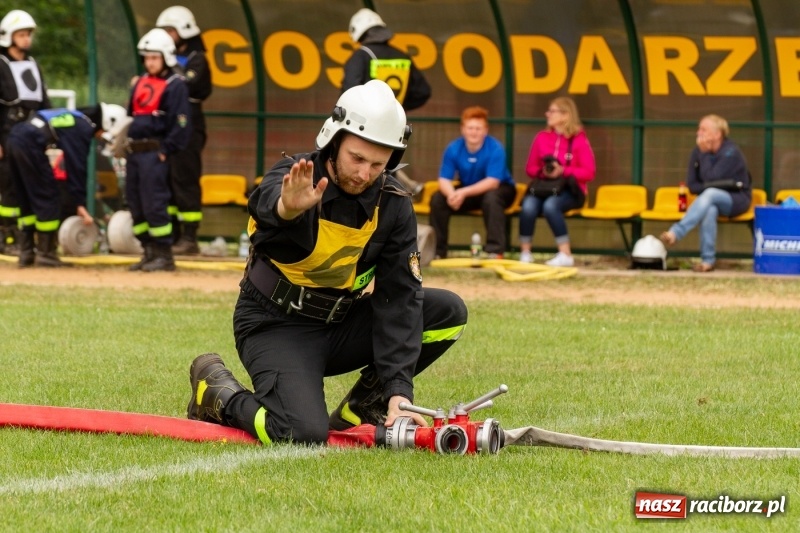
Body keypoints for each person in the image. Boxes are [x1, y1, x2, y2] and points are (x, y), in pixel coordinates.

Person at [186, 80, 468, 446]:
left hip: (339, 324)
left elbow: (400, 298)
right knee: (301, 433)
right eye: (357, 158)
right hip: (275, 324)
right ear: (334, 140)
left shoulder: (395, 203)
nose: (364, 174)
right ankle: (217, 392)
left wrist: (400, 392)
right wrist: (288, 209)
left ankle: (364, 408)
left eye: (378, 164)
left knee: (446, 312)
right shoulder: (293, 176)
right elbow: (267, 210)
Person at [7, 103, 127, 267]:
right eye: (106, 134)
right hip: (30, 143)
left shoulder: (73, 116)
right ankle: (46, 254)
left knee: (26, 198)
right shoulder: (82, 126)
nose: (100, 138)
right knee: (48, 195)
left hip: (14, 138)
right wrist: (79, 202)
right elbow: (76, 166)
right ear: (107, 123)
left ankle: (26, 252)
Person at [342, 7, 431, 198]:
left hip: (363, 128)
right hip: (393, 127)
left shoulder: (361, 55)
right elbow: (423, 91)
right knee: (383, 165)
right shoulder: (402, 56)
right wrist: (398, 108)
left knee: (368, 170)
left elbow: (349, 90)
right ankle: (405, 191)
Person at [125, 28, 191, 272]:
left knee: (155, 204)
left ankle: (164, 254)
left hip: (155, 154)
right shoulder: (140, 82)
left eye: (154, 57)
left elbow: (182, 124)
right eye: (147, 57)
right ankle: (148, 252)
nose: (149, 62)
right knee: (135, 203)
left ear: (166, 57)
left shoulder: (176, 85)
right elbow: (130, 117)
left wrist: (165, 150)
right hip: (134, 153)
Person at [659, 114, 752, 272]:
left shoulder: (731, 152)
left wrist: (704, 154)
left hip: (737, 199)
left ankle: (676, 232)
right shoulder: (698, 151)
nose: (699, 133)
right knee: (709, 209)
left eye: (704, 130)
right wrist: (702, 155)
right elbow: (692, 185)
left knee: (709, 194)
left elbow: (711, 177)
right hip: (711, 200)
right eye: (699, 129)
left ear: (717, 134)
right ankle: (707, 261)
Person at [156, 5, 212, 255]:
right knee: (167, 178)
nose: (166, 35)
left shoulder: (196, 59)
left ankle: (189, 237)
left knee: (185, 178)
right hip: (168, 124)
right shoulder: (164, 58)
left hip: (190, 123)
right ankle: (174, 233)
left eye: (170, 30)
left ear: (184, 31)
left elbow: (187, 84)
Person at [429, 106, 517, 259]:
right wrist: (452, 195)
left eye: (478, 128)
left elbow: (493, 182)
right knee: (438, 199)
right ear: (463, 129)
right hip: (469, 190)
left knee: (492, 198)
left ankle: (495, 251)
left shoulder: (496, 148)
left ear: (485, 130)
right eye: (470, 128)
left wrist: (462, 193)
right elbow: (443, 179)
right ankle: (437, 252)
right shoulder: (453, 148)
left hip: (501, 189)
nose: (474, 132)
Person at [519, 96, 596, 266]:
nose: (548, 114)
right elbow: (530, 168)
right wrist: (545, 172)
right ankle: (525, 253)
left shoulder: (579, 139)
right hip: (544, 187)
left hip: (570, 190)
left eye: (552, 111)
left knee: (551, 206)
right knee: (528, 206)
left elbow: (589, 173)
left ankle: (565, 254)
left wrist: (564, 171)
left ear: (566, 115)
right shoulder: (542, 137)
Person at [0, 9, 50, 255]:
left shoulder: (33, 64)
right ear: (9, 36)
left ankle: (25, 239)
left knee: (28, 184)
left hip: (31, 131)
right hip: (7, 131)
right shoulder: (1, 64)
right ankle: (5, 236)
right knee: (8, 185)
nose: (26, 39)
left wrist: (49, 135)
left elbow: (44, 103)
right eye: (21, 34)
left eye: (28, 34)